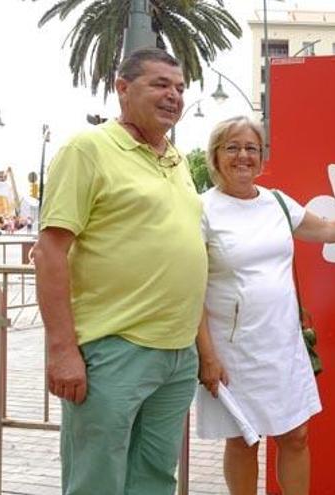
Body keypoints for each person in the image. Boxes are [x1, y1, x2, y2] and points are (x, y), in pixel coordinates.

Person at [195, 116, 335, 495]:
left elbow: (326, 229)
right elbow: (192, 288)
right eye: (232, 147)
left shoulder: (276, 203)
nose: (243, 156)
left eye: (251, 148)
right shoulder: (202, 210)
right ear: (215, 156)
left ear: (262, 156)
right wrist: (206, 355)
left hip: (282, 343)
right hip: (232, 350)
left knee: (296, 435)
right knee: (243, 440)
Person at [34, 48, 206, 495]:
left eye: (180, 88)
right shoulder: (87, 149)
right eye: (160, 84)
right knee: (96, 481)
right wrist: (61, 350)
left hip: (176, 354)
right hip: (113, 349)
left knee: (153, 478)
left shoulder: (176, 159)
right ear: (122, 89)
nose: (173, 95)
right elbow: (51, 251)